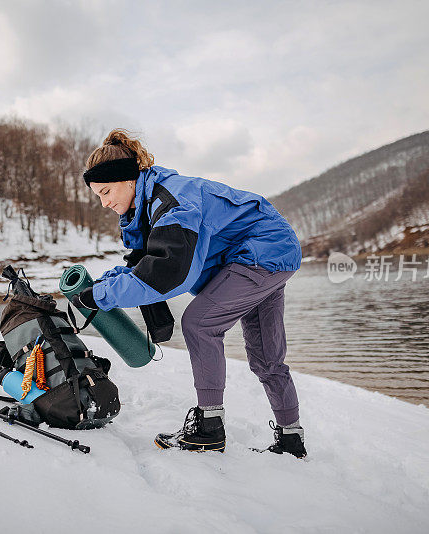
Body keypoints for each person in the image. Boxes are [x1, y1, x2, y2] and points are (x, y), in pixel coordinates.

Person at [72, 129, 306, 458]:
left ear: (127, 180)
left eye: (106, 191)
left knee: (199, 323)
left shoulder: (171, 201)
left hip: (262, 250)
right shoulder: (148, 208)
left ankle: (209, 427)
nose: (104, 202)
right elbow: (142, 265)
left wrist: (102, 297)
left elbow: (169, 273)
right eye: (98, 195)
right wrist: (101, 287)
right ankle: (291, 439)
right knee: (266, 356)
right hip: (270, 251)